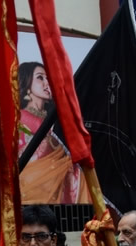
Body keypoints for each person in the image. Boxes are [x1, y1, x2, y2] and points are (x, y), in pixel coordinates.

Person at [17, 61, 90, 204]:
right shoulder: (19, 118)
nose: (46, 83)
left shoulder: (55, 119)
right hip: (33, 184)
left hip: (61, 183)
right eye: (40, 77)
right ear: (27, 83)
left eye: (48, 78)